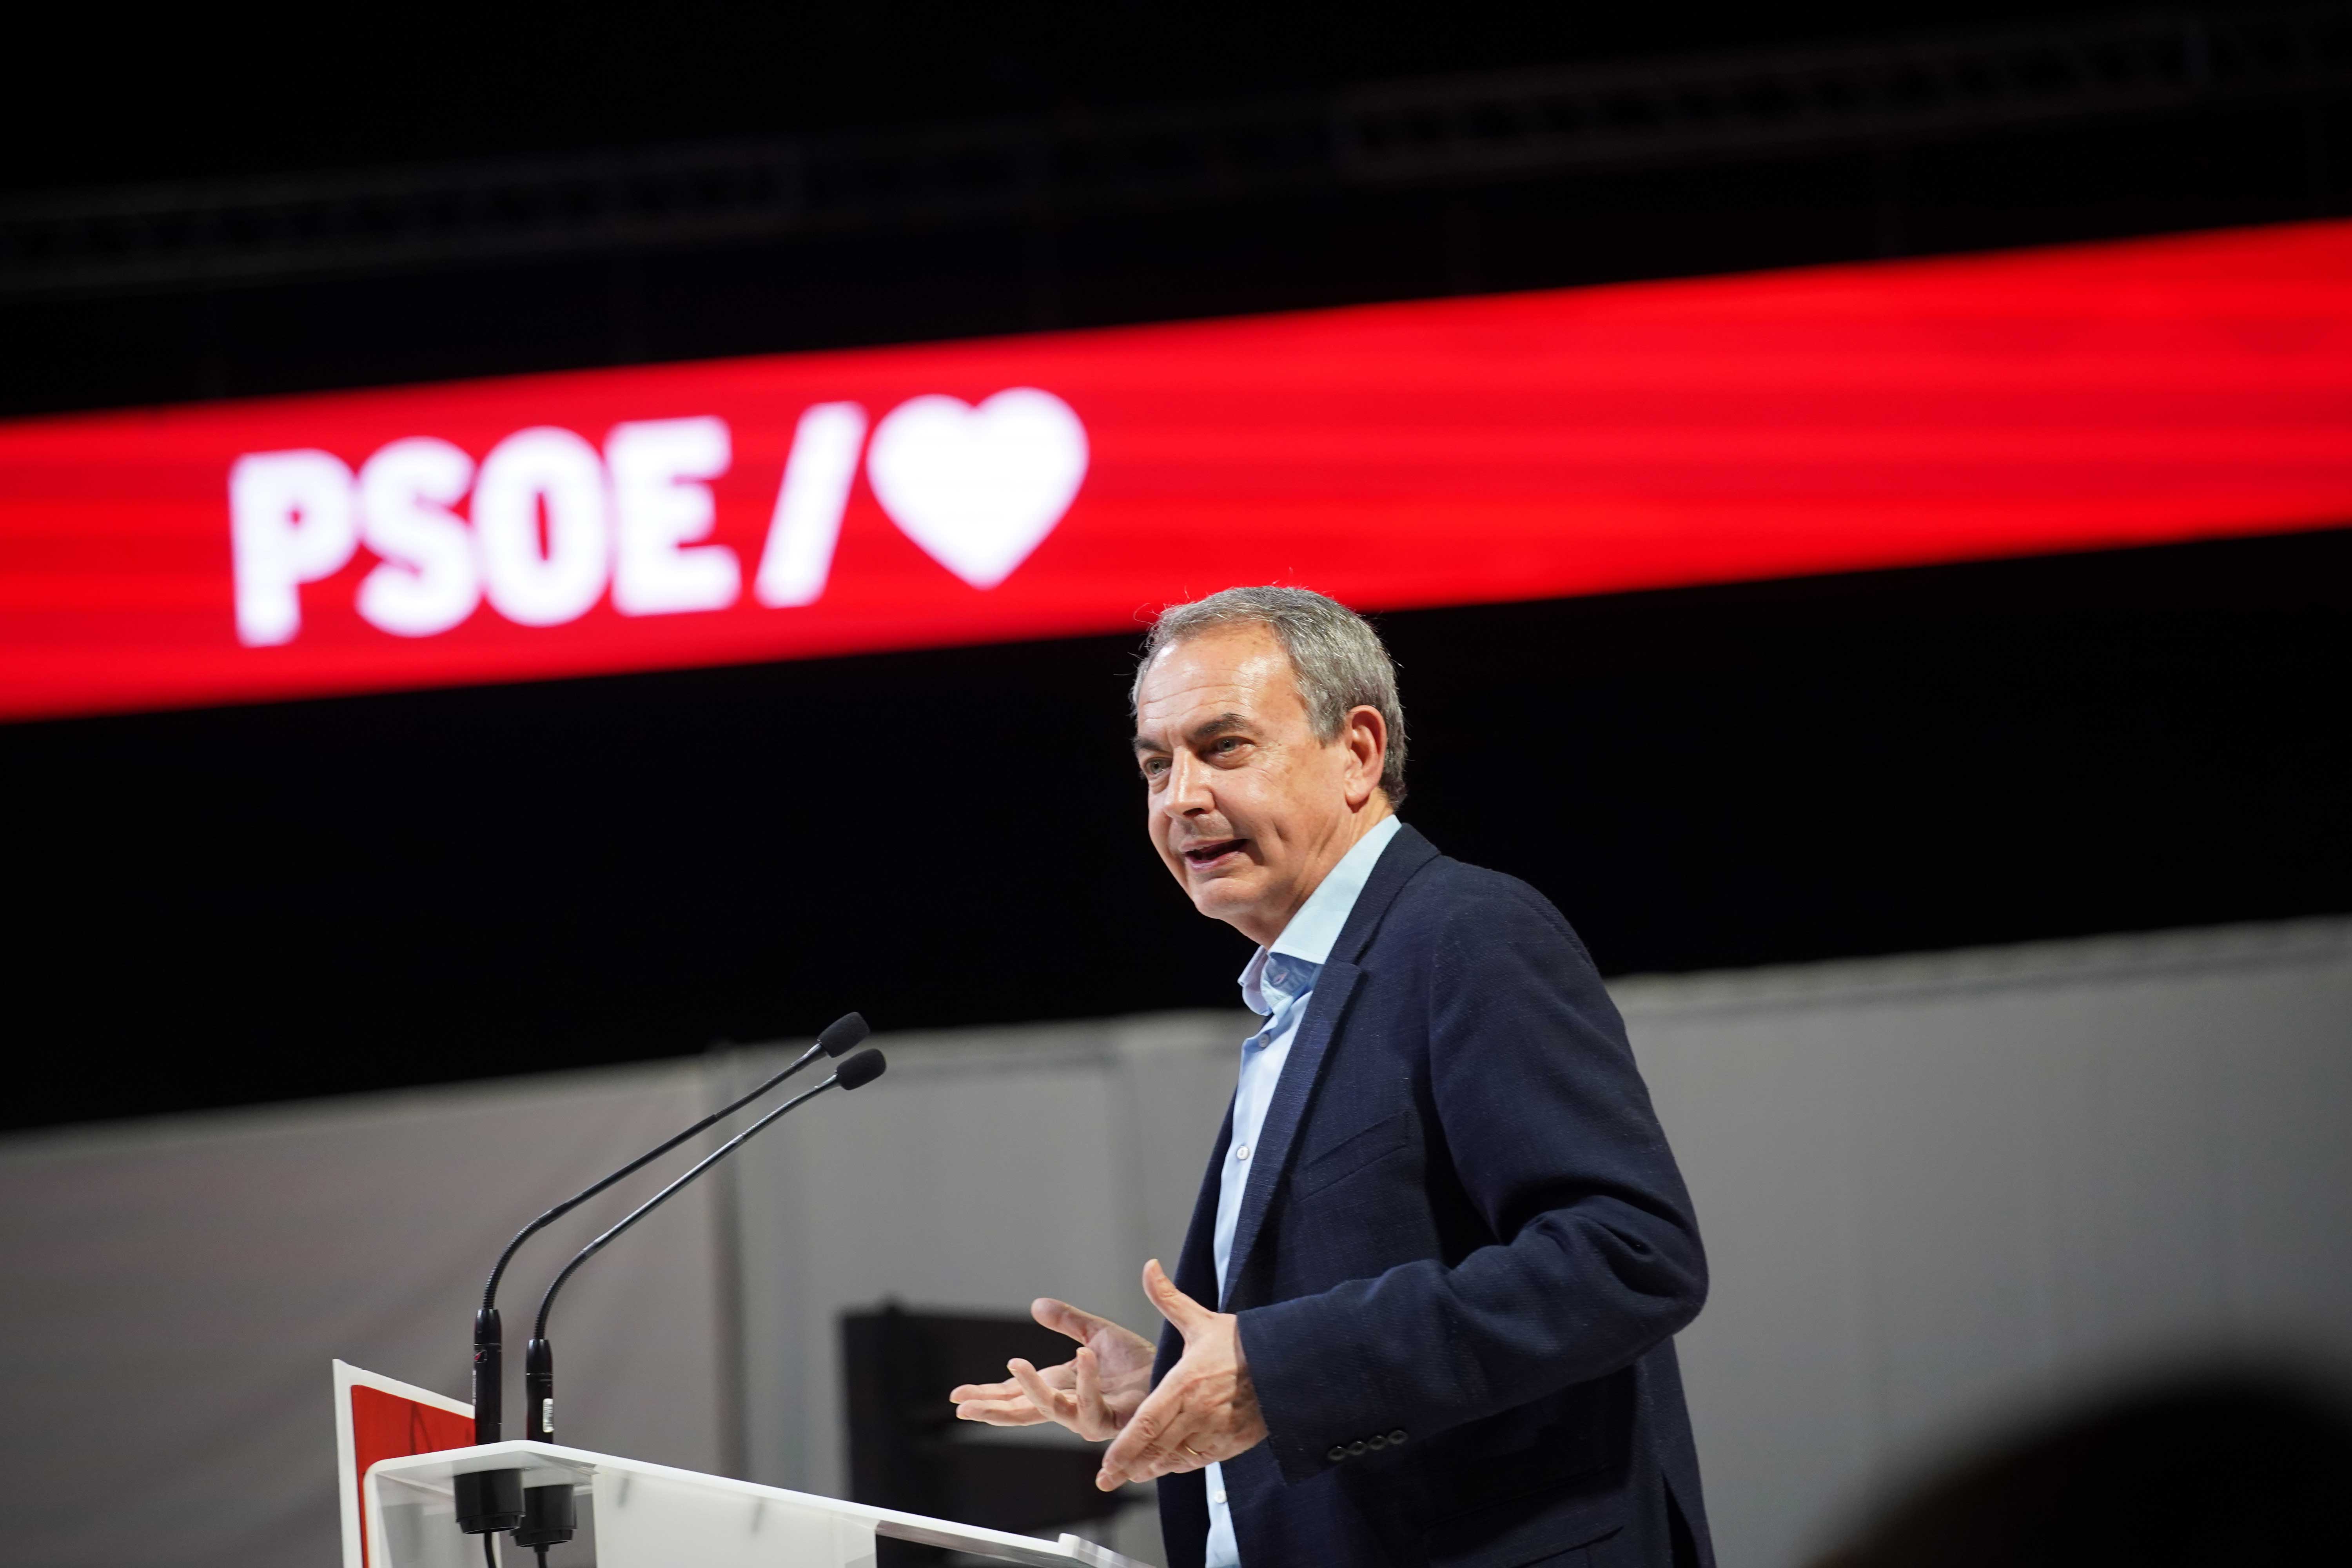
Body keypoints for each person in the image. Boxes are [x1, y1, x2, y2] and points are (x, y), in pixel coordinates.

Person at [949, 587, 1712, 1568]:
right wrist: (1181, 1380)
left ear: (1357, 752)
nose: (1179, 796)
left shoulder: (1464, 934)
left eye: (1223, 747)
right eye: (1155, 763)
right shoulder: (1304, 996)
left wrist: (1275, 1366)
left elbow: (1627, 1256)